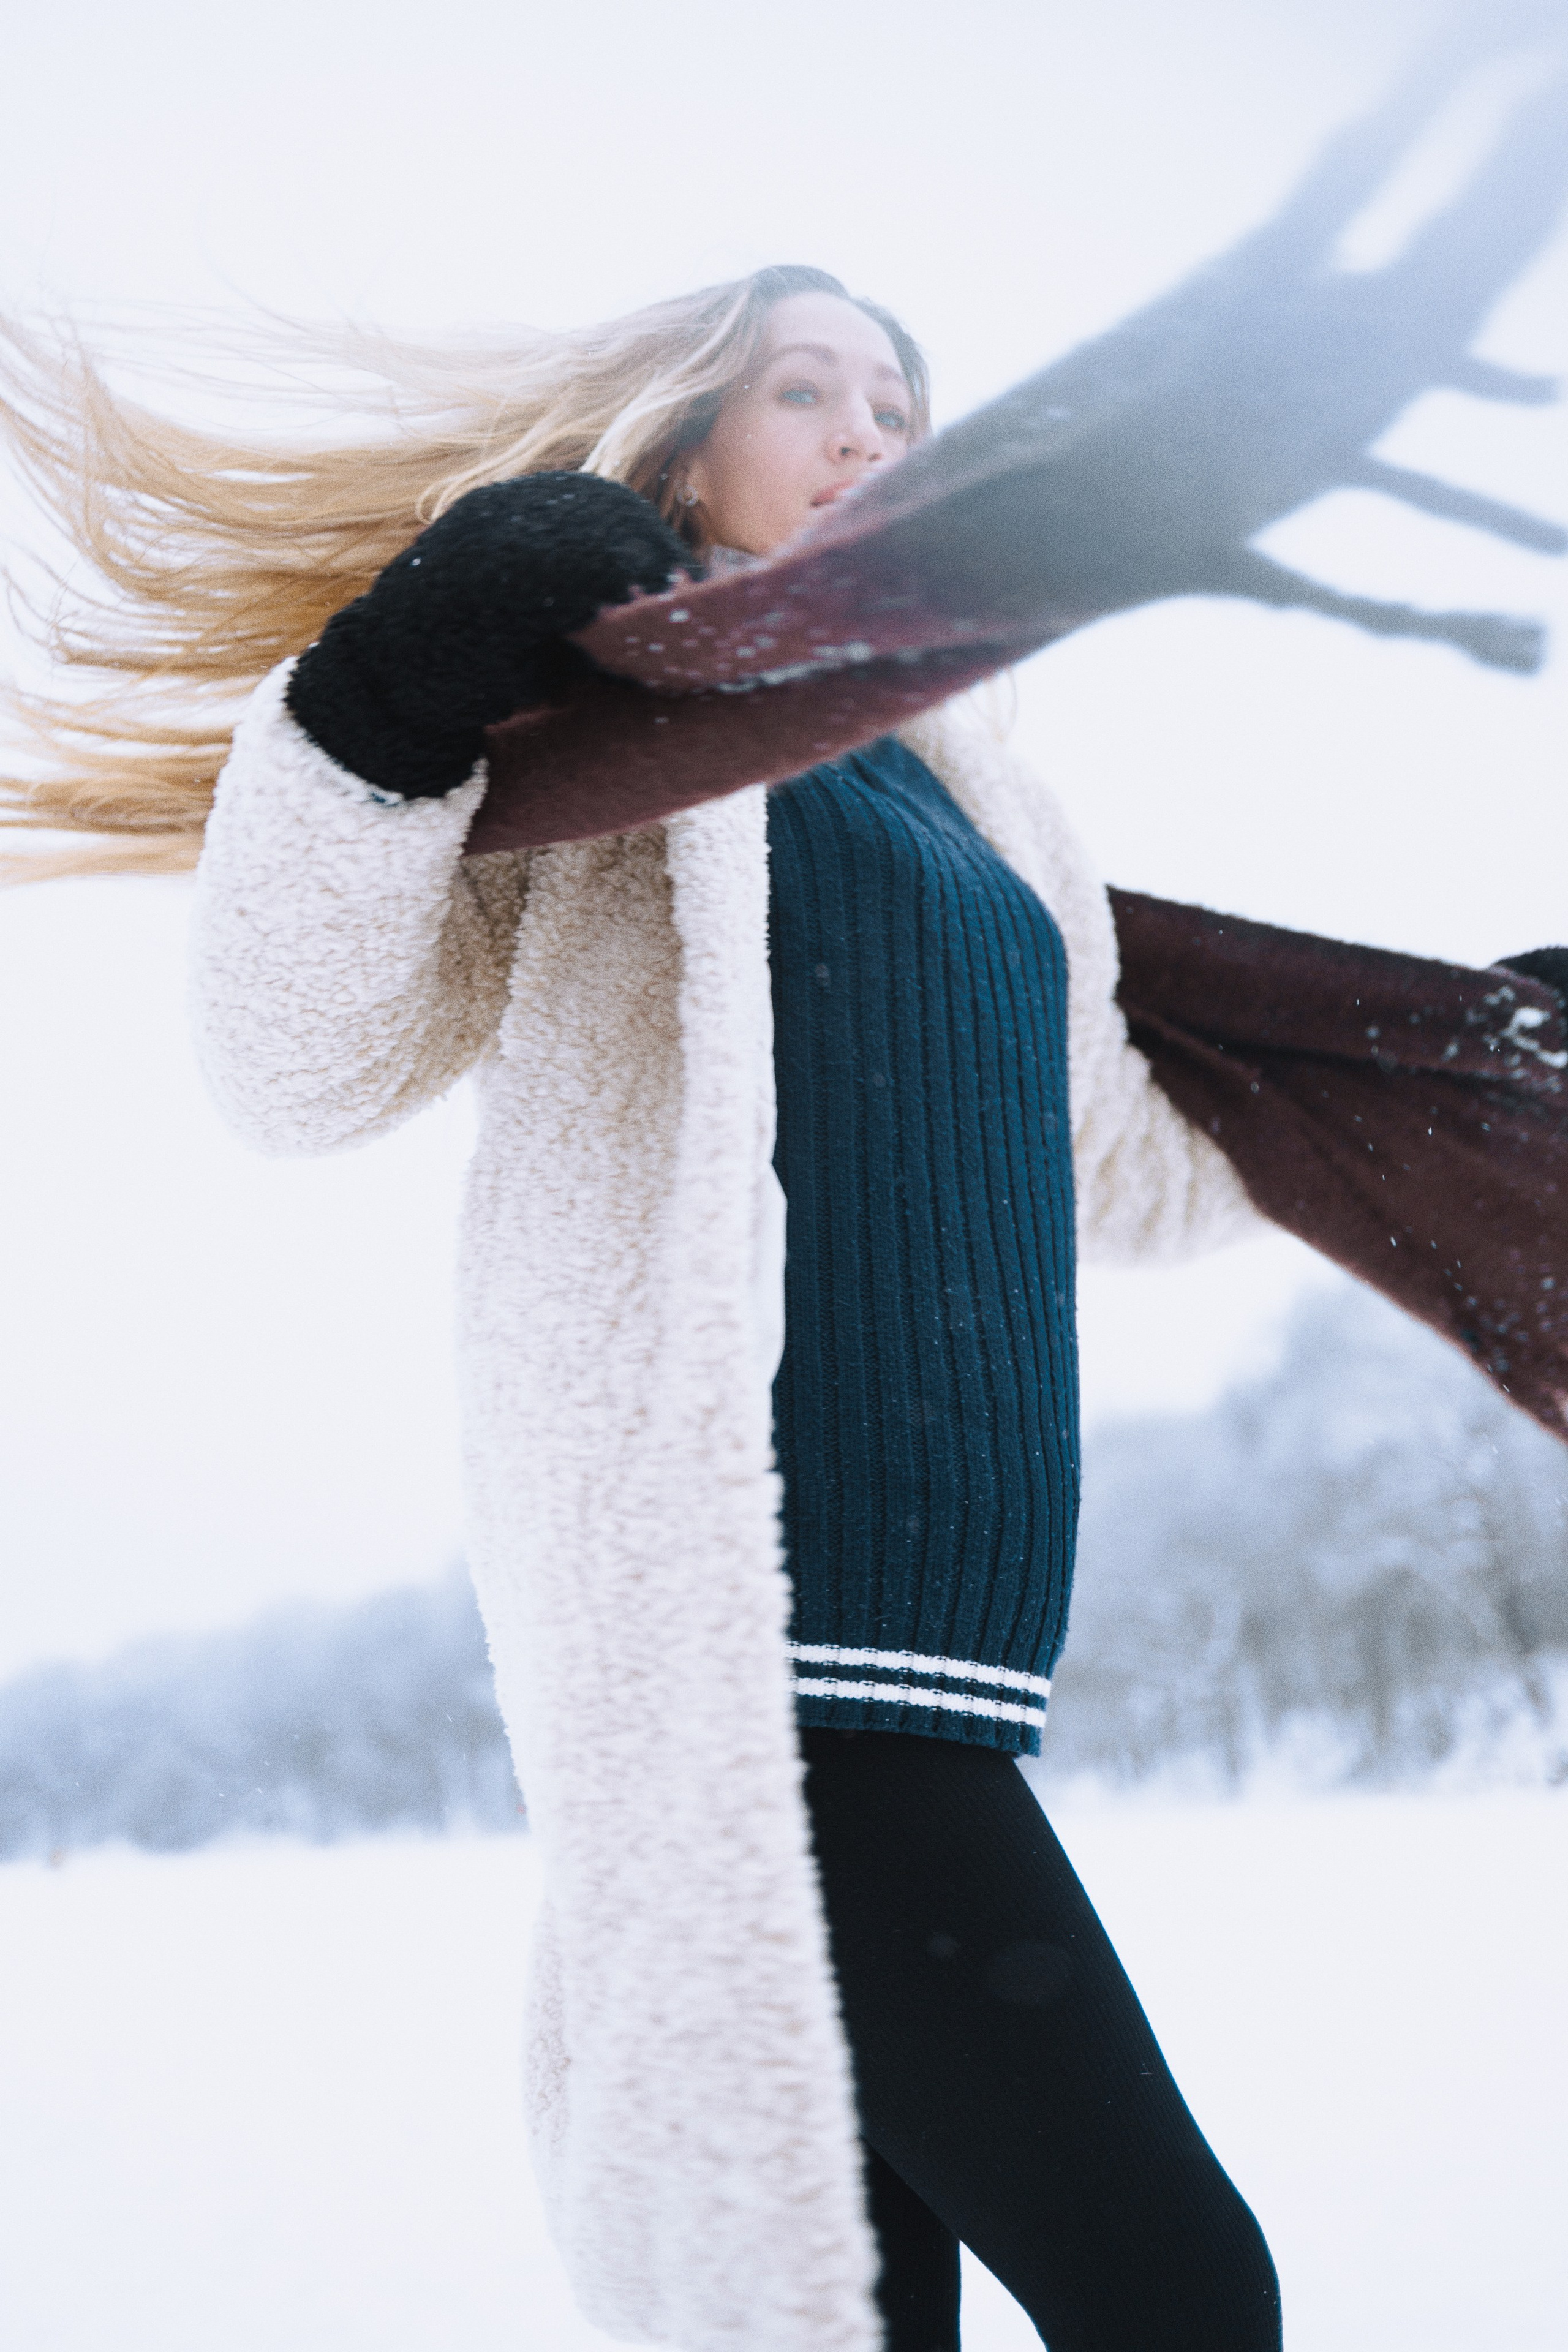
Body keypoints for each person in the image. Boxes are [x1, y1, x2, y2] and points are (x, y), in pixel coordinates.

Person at [1, 266, 1281, 2350]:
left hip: (948, 1653)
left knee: (866, 2319)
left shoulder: (983, 802)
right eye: (810, 388)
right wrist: (392, 687)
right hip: (748, 1642)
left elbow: (1113, 1159)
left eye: (901, 397)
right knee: (1178, 2286)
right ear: (687, 439)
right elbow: (292, 1056)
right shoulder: (609, 723)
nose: (875, 428)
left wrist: (1470, 1051)